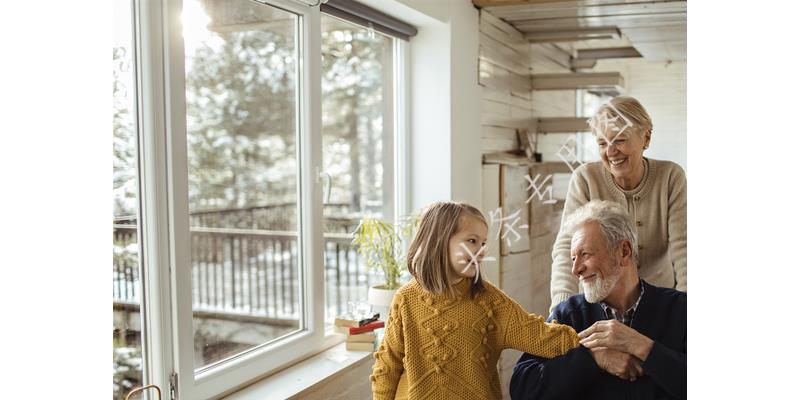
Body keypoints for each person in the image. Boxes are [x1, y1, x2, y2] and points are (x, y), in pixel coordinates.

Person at [370, 201, 579, 400]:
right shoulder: (406, 299)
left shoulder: (490, 302)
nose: (481, 251)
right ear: (440, 240)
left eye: (483, 243)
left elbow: (541, 337)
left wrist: (593, 341)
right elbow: (387, 368)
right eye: (472, 241)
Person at [511, 201, 686, 399]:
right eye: (573, 258)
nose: (575, 269)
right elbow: (522, 389)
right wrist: (593, 359)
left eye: (584, 254)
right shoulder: (568, 315)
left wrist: (644, 348)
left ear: (624, 252)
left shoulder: (681, 308)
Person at [550, 96, 687, 313]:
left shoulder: (670, 177)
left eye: (620, 140)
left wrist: (685, 308)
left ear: (646, 137)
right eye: (603, 143)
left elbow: (685, 248)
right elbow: (567, 246)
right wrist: (560, 309)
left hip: (660, 302)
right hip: (600, 303)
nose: (611, 152)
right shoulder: (586, 178)